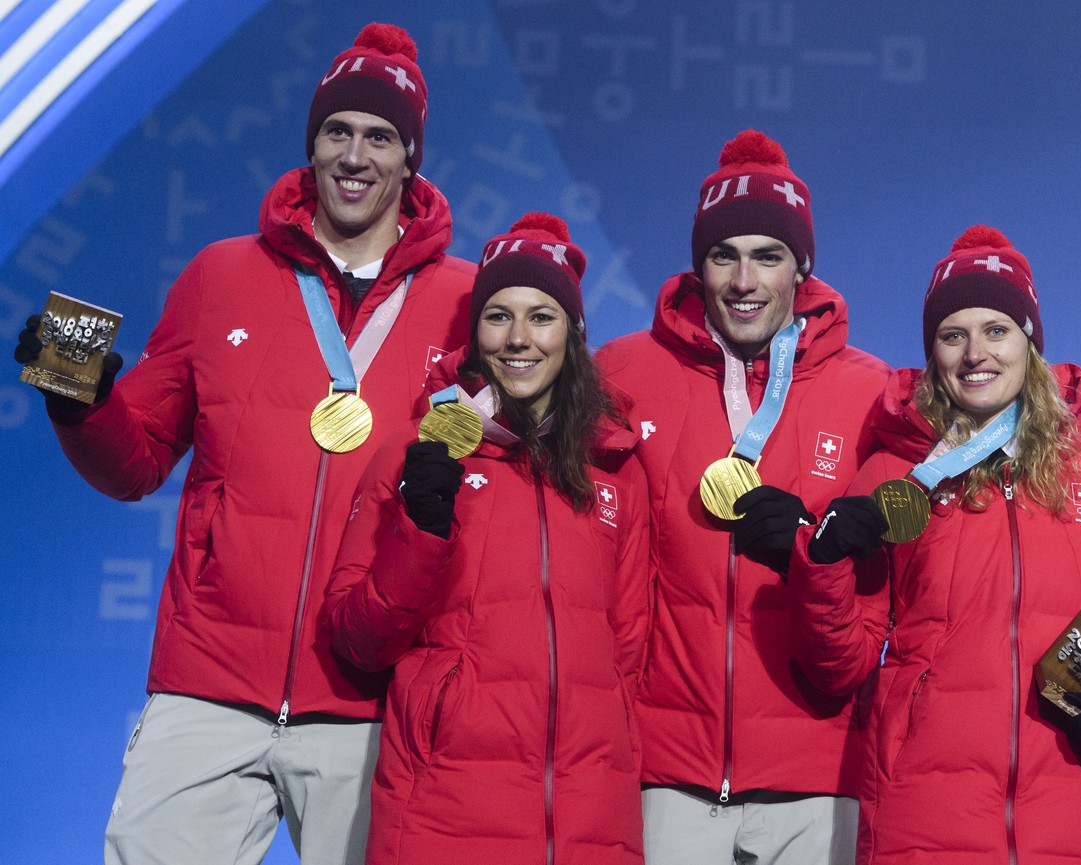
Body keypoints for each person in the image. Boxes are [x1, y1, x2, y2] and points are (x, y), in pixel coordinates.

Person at [12, 23, 474, 865]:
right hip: (211, 679)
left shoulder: (469, 303)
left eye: (380, 136)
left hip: (372, 693)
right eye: (338, 131)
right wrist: (79, 399)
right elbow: (138, 457)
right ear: (310, 145)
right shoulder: (221, 274)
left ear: (411, 158)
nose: (355, 154)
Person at [781, 225, 1081, 863]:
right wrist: (823, 563)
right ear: (933, 352)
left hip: (1075, 818)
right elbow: (842, 664)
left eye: (996, 330)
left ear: (1030, 343)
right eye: (953, 334)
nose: (975, 354)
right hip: (923, 819)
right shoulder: (895, 474)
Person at [595, 129, 891, 864]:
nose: (744, 280)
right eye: (724, 255)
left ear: (803, 267)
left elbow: (884, 591)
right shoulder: (625, 370)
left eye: (768, 256)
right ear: (698, 266)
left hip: (819, 777)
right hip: (666, 778)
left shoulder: (868, 391)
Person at [324, 213, 648, 864]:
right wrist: (422, 527)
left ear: (575, 333)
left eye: (542, 316)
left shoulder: (615, 469)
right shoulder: (418, 451)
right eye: (498, 316)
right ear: (475, 333)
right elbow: (357, 637)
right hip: (445, 811)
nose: (518, 338)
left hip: (591, 821)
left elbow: (629, 656)